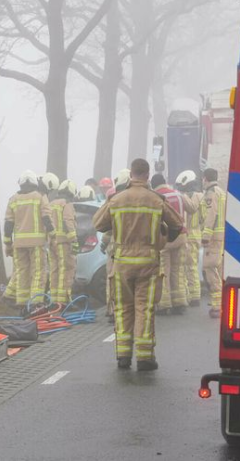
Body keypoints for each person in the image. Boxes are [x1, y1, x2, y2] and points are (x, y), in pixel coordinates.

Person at [94, 159, 183, 371]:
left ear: (131, 174)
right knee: (144, 309)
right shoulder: (155, 199)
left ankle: (123, 356)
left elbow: (98, 224)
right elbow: (177, 224)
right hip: (148, 264)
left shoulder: (117, 199)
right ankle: (144, 358)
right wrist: (164, 238)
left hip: (122, 264)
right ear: (147, 175)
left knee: (123, 309)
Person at [3, 170, 54, 308]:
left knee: (22, 272)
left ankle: (21, 302)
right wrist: (53, 234)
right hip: (37, 243)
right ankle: (36, 303)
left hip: (19, 244)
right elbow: (46, 217)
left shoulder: (13, 199)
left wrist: (8, 243)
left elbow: (8, 224)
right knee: (38, 272)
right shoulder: (40, 197)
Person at [152, 173, 195, 315]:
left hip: (164, 238)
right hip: (181, 236)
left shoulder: (154, 197)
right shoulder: (178, 194)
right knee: (178, 270)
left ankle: (164, 305)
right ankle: (179, 303)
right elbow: (192, 209)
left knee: (163, 271)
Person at [100, 169, 131, 322]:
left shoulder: (112, 201)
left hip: (114, 246)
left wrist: (104, 241)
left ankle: (113, 310)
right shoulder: (137, 199)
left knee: (112, 278)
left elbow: (107, 225)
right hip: (132, 246)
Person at [201, 168, 227, 318]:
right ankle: (222, 304)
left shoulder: (211, 193)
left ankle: (217, 306)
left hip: (213, 237)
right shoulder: (222, 192)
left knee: (209, 267)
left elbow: (211, 214)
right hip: (222, 236)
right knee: (219, 268)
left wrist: (206, 235)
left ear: (205, 178)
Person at [48, 179, 78, 304]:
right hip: (64, 243)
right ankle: (63, 301)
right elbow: (68, 222)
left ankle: (54, 300)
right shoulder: (67, 204)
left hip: (52, 243)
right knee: (65, 270)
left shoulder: (51, 204)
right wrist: (74, 241)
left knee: (54, 270)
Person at [175, 170, 203, 307]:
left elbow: (191, 208)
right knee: (189, 266)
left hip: (191, 236)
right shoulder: (198, 196)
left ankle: (194, 296)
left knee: (190, 266)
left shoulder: (194, 196)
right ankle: (191, 294)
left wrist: (181, 195)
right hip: (192, 235)